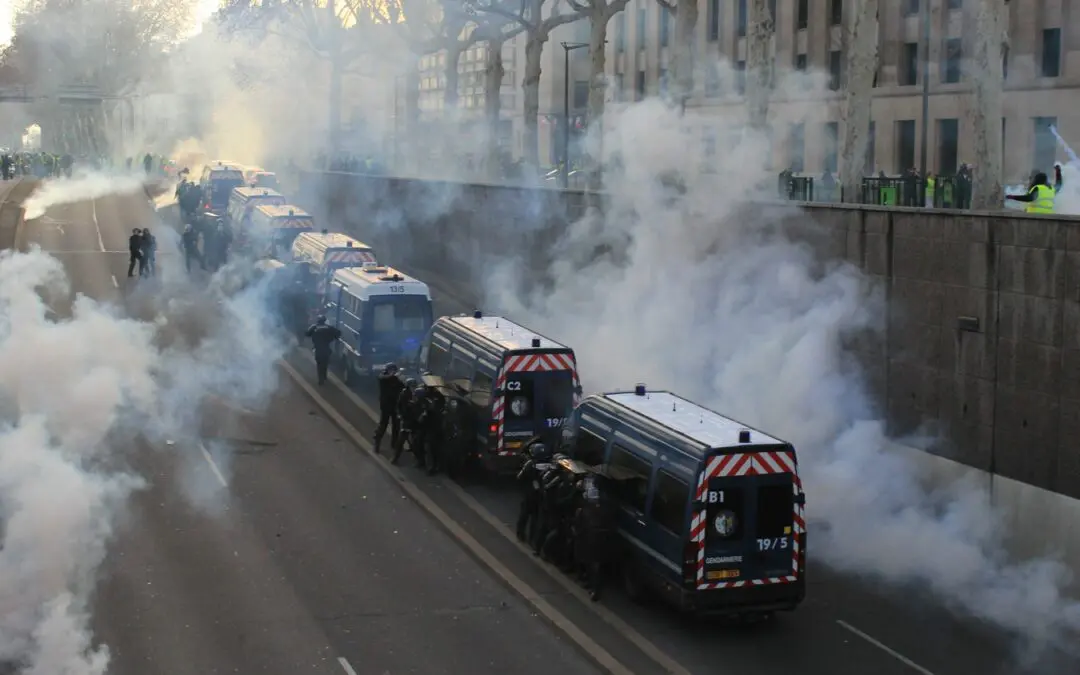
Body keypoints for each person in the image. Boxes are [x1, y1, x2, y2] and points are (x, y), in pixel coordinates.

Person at [516, 441, 554, 544]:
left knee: (524, 515)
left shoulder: (530, 464)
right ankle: (532, 538)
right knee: (535, 518)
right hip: (540, 496)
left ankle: (521, 534)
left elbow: (519, 477)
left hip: (529, 495)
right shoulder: (550, 466)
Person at [374, 363, 405, 454]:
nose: (393, 371)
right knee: (383, 425)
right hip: (386, 406)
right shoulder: (383, 377)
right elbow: (383, 378)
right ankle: (377, 443)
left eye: (394, 370)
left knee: (396, 426)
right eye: (391, 370)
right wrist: (393, 375)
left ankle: (394, 444)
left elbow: (403, 386)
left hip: (395, 406)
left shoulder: (398, 380)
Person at [305, 316, 341, 385]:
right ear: (324, 320)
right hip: (326, 348)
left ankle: (321, 379)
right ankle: (324, 376)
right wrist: (333, 338)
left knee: (319, 364)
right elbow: (338, 333)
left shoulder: (314, 327)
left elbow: (307, 334)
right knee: (326, 362)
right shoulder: (329, 327)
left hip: (318, 349)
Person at [391, 378, 418, 465]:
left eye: (414, 386)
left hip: (413, 420)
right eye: (412, 386)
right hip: (406, 420)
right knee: (401, 440)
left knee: (414, 441)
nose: (413, 387)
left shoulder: (416, 394)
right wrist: (400, 414)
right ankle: (395, 458)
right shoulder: (404, 394)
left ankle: (417, 459)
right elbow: (399, 406)